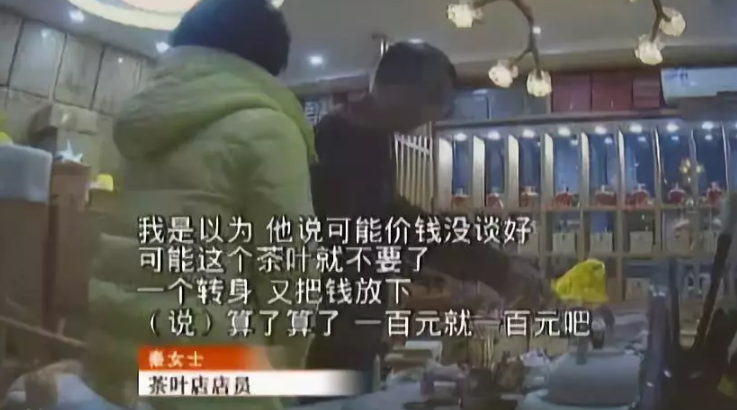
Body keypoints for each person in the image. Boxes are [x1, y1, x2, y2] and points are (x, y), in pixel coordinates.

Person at [84, 1, 315, 409]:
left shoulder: (145, 122)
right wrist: (287, 366)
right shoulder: (270, 128)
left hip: (118, 365)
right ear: (266, 63)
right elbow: (289, 267)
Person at [305, 41, 549, 400]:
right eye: (434, 98)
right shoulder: (338, 139)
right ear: (397, 88)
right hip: (327, 327)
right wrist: (495, 267)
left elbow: (389, 219)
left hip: (352, 322)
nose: (433, 113)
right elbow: (389, 223)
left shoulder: (369, 136)